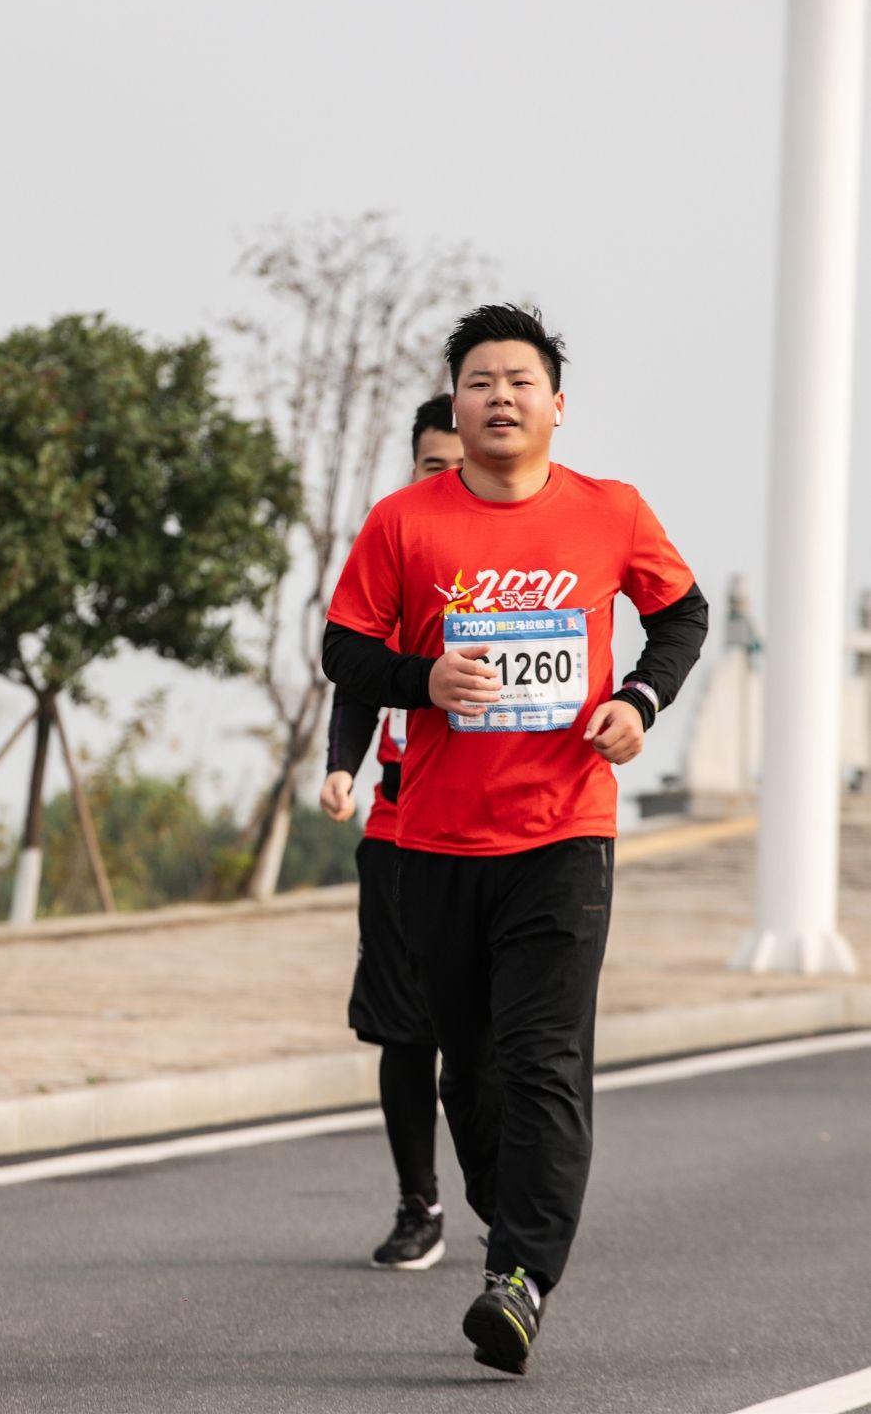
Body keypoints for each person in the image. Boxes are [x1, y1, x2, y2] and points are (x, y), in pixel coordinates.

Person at [322, 305, 707, 1375]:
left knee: (545, 1062)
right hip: (437, 843)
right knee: (471, 1073)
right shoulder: (404, 523)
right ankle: (513, 1216)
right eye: (480, 381)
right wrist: (425, 680)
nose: (499, 396)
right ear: (455, 403)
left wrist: (639, 697)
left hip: (562, 834)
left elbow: (681, 615)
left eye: (519, 380)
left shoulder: (610, 511)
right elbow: (344, 651)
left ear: (556, 405)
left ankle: (522, 1278)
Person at [319, 393, 462, 1270]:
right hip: (400, 831)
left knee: (491, 1041)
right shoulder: (399, 559)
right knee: (405, 1032)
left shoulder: (526, 575)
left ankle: (513, 1200)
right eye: (431, 466)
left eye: (461, 467)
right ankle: (420, 1203)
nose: (447, 481)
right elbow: (358, 675)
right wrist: (343, 762)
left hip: (501, 840)